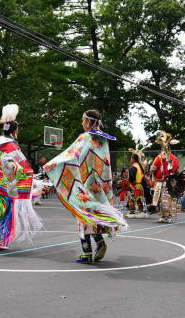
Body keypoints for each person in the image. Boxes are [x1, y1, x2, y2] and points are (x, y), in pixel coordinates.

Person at [44, 109, 127, 263]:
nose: (82, 123)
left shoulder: (85, 137)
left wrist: (51, 165)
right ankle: (100, 243)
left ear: (88, 121)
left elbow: (70, 156)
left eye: (83, 120)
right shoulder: (103, 139)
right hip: (99, 185)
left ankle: (87, 253)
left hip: (84, 184)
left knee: (83, 217)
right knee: (92, 216)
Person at [0, 104, 42, 251]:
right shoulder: (11, 146)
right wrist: (30, 175)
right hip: (8, 185)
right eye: (17, 130)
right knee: (7, 212)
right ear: (14, 131)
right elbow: (21, 165)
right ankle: (2, 242)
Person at [150, 131, 180, 223]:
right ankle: (163, 215)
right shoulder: (159, 158)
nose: (164, 149)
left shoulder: (173, 158)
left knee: (166, 199)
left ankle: (167, 216)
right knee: (161, 200)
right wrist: (154, 177)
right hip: (160, 182)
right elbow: (152, 169)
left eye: (165, 147)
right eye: (163, 147)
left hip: (168, 182)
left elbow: (175, 170)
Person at [126, 146, 152, 218]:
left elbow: (131, 178)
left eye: (131, 158)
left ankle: (133, 212)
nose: (130, 159)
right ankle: (141, 211)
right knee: (138, 198)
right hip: (141, 185)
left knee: (132, 197)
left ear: (133, 159)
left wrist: (130, 184)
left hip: (136, 185)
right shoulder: (139, 166)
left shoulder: (133, 167)